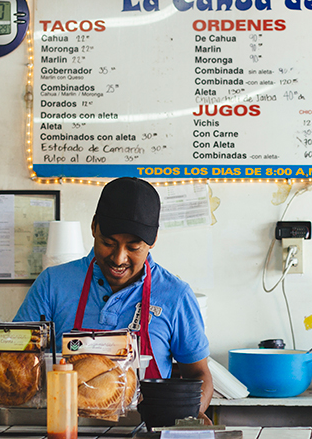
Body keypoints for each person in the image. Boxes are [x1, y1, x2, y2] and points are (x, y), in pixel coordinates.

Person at [13, 177, 214, 421]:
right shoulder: (52, 284)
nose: (119, 259)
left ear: (153, 240)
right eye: (108, 243)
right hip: (64, 431)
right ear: (94, 227)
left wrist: (190, 413)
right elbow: (15, 359)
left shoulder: (176, 295)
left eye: (134, 247)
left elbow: (198, 373)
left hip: (144, 436)